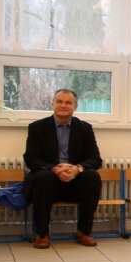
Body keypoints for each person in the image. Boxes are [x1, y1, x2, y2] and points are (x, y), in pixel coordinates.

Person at [23, 89, 103, 249]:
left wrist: (77, 168)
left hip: (74, 181)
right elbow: (31, 158)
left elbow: (95, 159)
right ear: (52, 104)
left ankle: (84, 232)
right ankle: (42, 234)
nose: (63, 105)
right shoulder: (37, 127)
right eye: (59, 101)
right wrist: (54, 169)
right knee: (43, 177)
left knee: (92, 176)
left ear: (75, 106)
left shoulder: (85, 128)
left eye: (68, 102)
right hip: (46, 182)